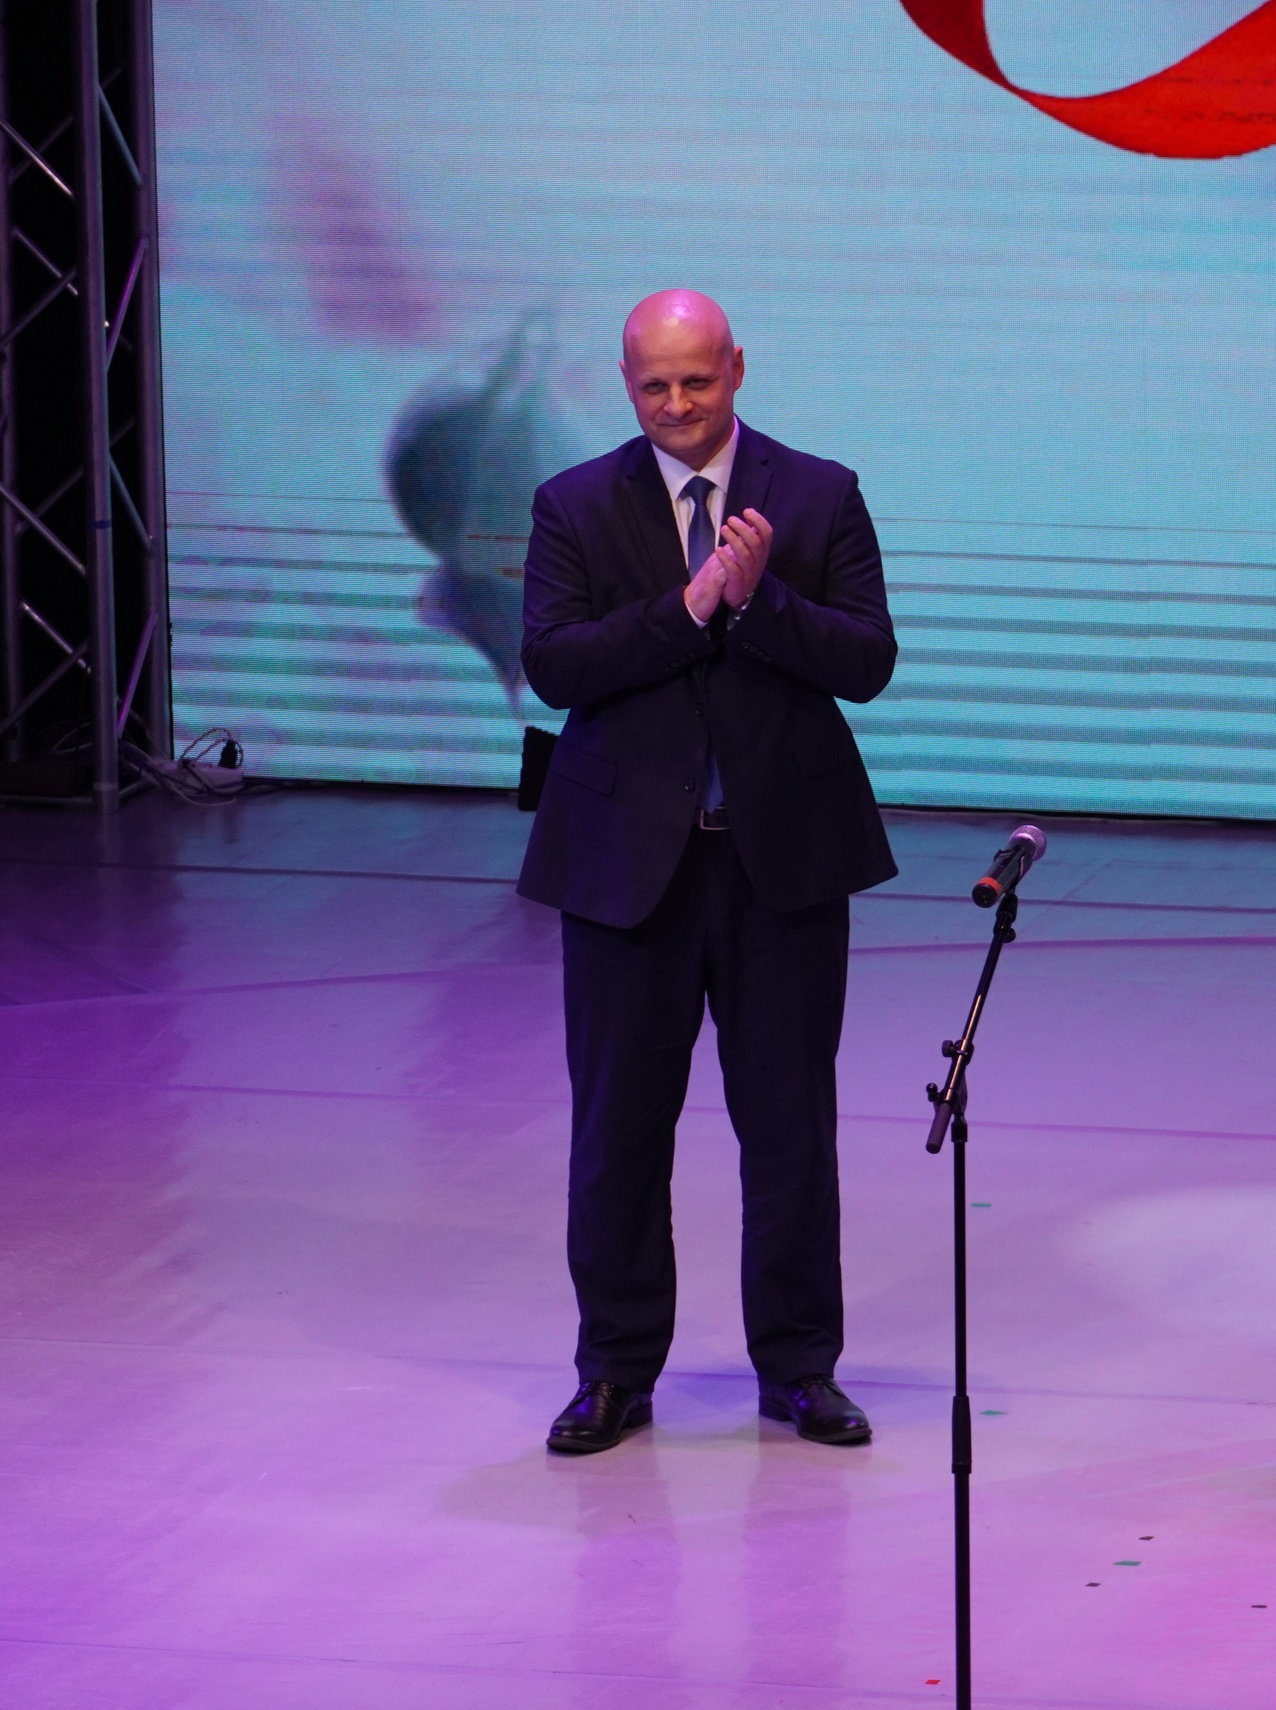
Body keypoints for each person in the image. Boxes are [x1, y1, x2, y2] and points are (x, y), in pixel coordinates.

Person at [518, 289, 899, 1454]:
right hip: (626, 875)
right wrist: (687, 610)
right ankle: (613, 1372)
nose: (678, 405)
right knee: (617, 1135)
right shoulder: (575, 503)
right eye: (655, 386)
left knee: (790, 1133)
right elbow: (555, 667)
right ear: (625, 383)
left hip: (779, 870)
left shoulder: (818, 492)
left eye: (697, 380)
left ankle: (799, 1369)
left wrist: (760, 598)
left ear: (737, 366)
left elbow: (867, 661)